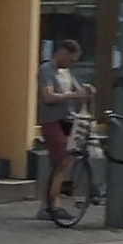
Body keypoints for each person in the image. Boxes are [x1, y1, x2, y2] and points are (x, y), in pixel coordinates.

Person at [37, 39, 93, 220]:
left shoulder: (66, 72)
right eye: (70, 59)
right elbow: (48, 96)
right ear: (62, 53)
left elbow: (77, 91)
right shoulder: (47, 70)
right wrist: (72, 95)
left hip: (67, 121)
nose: (71, 64)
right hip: (52, 120)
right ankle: (51, 205)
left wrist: (86, 90)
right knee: (61, 162)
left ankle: (50, 205)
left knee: (60, 163)